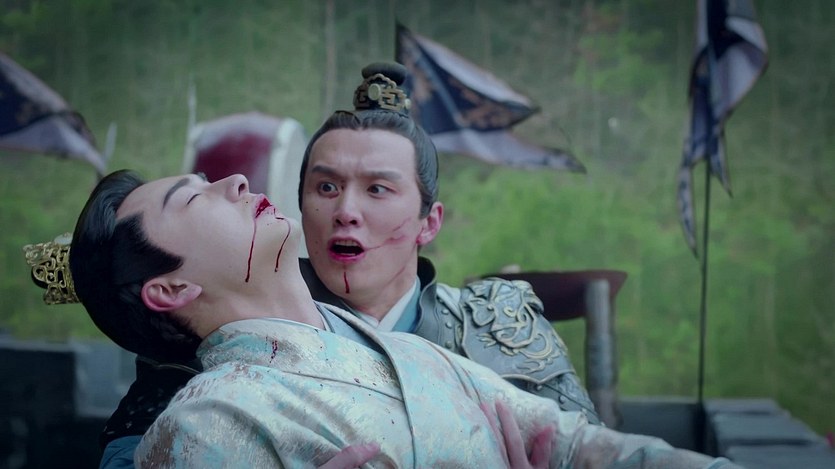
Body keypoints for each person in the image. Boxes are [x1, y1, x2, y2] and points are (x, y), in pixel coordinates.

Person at [61, 62, 597, 467]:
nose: (346, 211)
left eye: (378, 189)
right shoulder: (218, 334)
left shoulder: (495, 321)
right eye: (325, 187)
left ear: (429, 222)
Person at [67, 168, 737, 468]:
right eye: (193, 199)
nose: (235, 182)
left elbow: (572, 446)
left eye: (379, 188)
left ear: (428, 220)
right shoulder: (201, 423)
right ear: (170, 288)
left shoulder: (425, 355)